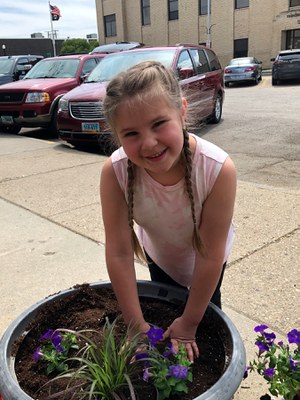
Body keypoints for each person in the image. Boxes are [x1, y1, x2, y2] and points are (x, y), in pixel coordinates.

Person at [100, 60, 236, 362]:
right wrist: (136, 326)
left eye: (159, 123)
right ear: (117, 135)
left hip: (208, 261)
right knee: (163, 305)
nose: (149, 143)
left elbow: (210, 255)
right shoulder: (115, 173)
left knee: (207, 322)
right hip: (159, 255)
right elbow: (120, 253)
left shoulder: (217, 169)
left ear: (182, 111)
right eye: (131, 134)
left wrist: (189, 324)